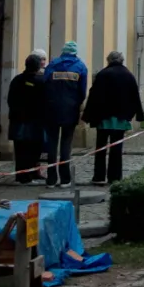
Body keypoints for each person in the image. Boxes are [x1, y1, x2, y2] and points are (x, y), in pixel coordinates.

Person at [81, 51, 144, 185]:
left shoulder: (103, 74)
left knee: (101, 148)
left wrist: (87, 115)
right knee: (116, 149)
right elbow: (135, 96)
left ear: (108, 60)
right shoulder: (128, 75)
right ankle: (114, 177)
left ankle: (99, 177)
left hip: (103, 118)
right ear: (122, 60)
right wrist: (137, 114)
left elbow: (93, 96)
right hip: (120, 119)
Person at [42, 41, 89, 186]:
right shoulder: (80, 66)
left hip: (51, 108)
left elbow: (45, 84)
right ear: (75, 52)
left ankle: (51, 179)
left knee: (52, 144)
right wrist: (76, 103)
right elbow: (82, 91)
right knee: (66, 144)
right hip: (70, 109)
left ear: (63, 51)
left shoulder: (52, 65)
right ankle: (65, 179)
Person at [7, 54, 46, 183]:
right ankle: (29, 174)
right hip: (34, 121)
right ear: (37, 67)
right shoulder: (40, 81)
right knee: (34, 148)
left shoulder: (17, 80)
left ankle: (22, 174)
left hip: (19, 120)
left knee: (21, 149)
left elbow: (10, 100)